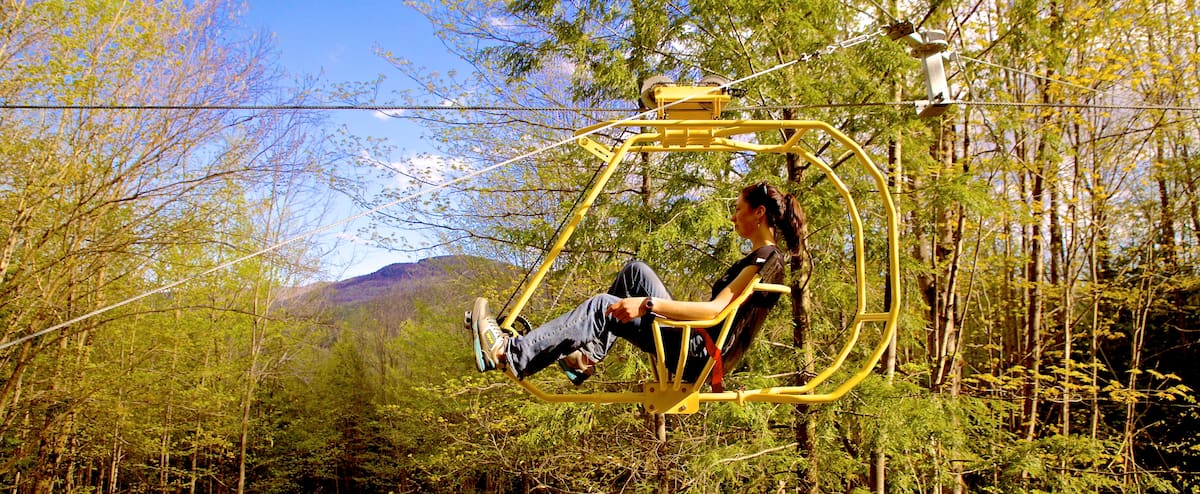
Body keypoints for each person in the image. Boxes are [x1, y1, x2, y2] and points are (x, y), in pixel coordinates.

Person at [469, 182, 806, 387]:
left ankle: (511, 355)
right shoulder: (766, 257)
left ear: (758, 213)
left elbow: (715, 310)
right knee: (636, 272)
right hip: (702, 344)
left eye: (738, 209)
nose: (734, 217)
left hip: (698, 352)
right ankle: (587, 357)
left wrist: (647, 305)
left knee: (604, 305)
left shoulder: (765, 259)